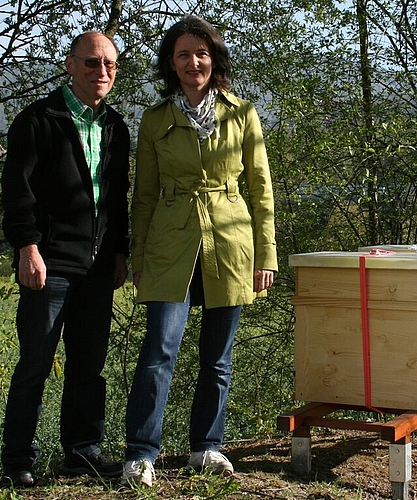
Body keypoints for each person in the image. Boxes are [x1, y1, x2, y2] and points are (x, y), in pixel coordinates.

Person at [123, 15, 277, 487]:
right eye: (184, 54)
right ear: (171, 63)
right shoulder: (154, 120)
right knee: (159, 351)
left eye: (202, 53)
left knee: (218, 358)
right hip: (170, 248)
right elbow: (144, 196)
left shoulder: (242, 113)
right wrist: (138, 256)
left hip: (231, 245)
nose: (195, 62)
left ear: (215, 59)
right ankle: (142, 453)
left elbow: (261, 188)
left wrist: (266, 254)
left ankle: (206, 448)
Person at [0, 31, 130, 487]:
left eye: (111, 65)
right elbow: (18, 194)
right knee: (35, 362)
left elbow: (117, 200)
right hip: (48, 263)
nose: (103, 72)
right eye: (93, 63)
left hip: (96, 267)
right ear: (70, 66)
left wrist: (120, 252)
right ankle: (18, 459)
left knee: (88, 366)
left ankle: (81, 453)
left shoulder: (116, 126)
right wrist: (27, 247)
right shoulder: (37, 121)